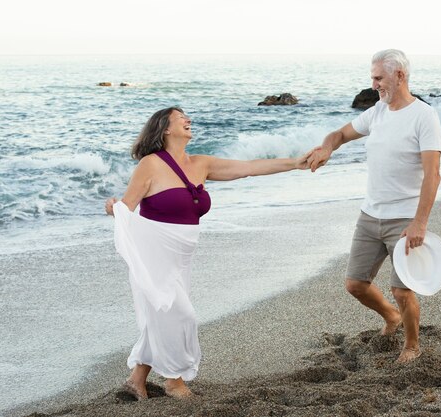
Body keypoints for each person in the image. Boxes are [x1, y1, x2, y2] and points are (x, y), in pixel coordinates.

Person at [105, 106, 311, 400]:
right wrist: (114, 209)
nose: (188, 120)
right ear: (165, 128)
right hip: (156, 253)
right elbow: (127, 208)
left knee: (163, 314)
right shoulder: (150, 165)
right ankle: (173, 381)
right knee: (180, 314)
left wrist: (295, 163)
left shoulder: (201, 163)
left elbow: (250, 167)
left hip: (182, 255)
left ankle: (136, 380)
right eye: (181, 118)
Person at [307, 49, 441, 363]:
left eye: (378, 78)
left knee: (402, 290)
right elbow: (341, 133)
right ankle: (391, 318)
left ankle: (411, 346)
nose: (373, 85)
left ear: (399, 75)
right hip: (370, 215)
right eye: (372, 77)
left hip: (404, 219)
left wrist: (419, 223)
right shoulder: (377, 112)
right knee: (355, 284)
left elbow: (433, 175)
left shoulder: (424, 116)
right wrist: (327, 147)